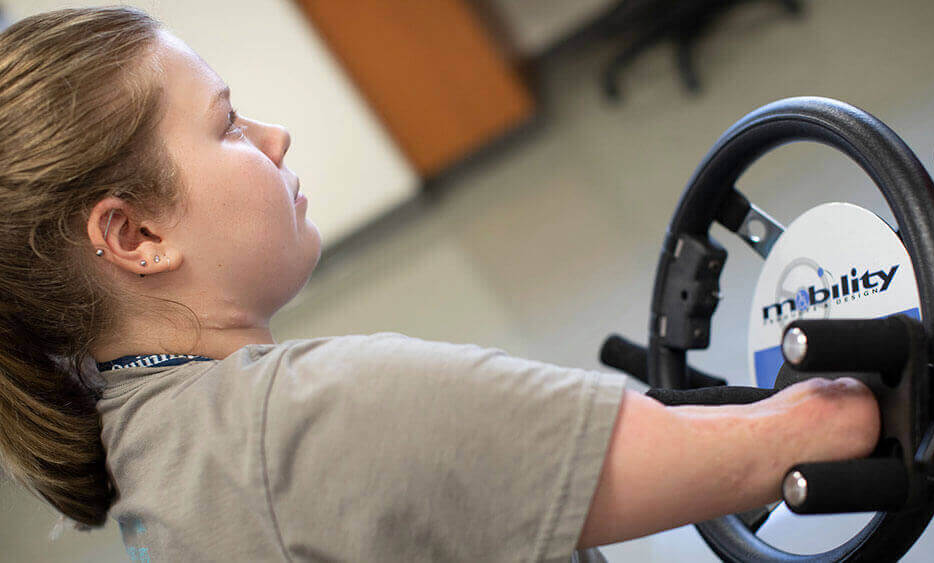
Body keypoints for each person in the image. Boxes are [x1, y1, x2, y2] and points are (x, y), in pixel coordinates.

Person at [0, 7, 880, 562]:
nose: (274, 138)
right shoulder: (328, 419)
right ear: (136, 234)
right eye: (227, 125)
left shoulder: (152, 456)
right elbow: (789, 444)